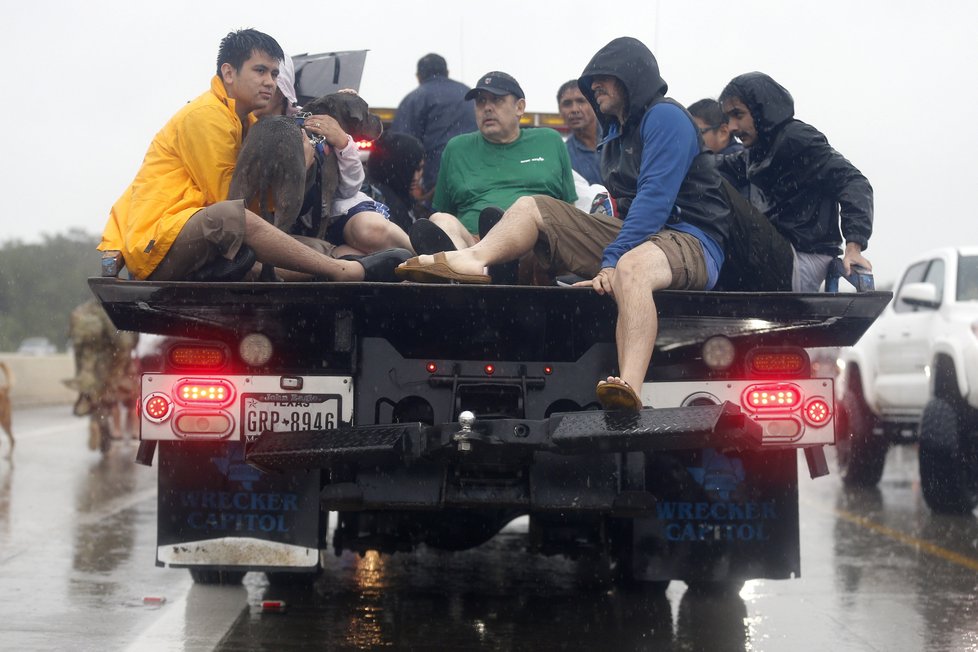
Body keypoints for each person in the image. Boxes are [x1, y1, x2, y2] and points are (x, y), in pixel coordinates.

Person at [397, 37, 731, 411]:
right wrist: (597, 254)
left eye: (604, 77)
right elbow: (623, 210)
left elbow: (655, 201)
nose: (595, 87)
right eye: (593, 81)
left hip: (691, 238)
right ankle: (475, 260)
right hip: (642, 236)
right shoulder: (614, 136)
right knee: (530, 206)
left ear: (632, 77)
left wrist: (611, 261)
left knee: (631, 268)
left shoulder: (665, 117)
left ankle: (629, 387)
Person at [99, 29, 397, 282]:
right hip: (162, 246)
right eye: (260, 71)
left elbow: (262, 206)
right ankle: (341, 272)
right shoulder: (205, 117)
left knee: (316, 247)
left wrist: (302, 166)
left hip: (212, 236)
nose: (270, 81)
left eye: (275, 73)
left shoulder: (250, 124)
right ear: (229, 72)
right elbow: (230, 203)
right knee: (234, 216)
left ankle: (381, 262)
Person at [715, 72, 873, 292]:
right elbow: (719, 165)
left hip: (802, 260)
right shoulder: (758, 150)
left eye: (738, 114)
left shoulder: (797, 140)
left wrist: (854, 245)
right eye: (728, 118)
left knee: (712, 185)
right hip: (779, 255)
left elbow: (854, 181)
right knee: (702, 175)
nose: (731, 127)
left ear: (761, 110)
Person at [419, 71, 577, 250]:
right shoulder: (456, 148)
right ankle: (472, 269)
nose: (487, 107)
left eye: (496, 99)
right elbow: (445, 211)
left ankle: (482, 266)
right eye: (481, 101)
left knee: (527, 213)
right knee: (440, 220)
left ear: (520, 107)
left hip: (535, 248)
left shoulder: (550, 140)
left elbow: (569, 210)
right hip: (472, 245)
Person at [390, 54, 477, 201]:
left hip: (436, 181)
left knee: (439, 220)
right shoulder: (469, 94)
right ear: (447, 72)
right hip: (474, 174)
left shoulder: (415, 98)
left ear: (418, 76)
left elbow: (401, 147)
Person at [365, 131, 428, 232]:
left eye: (419, 168)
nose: (416, 177)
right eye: (409, 169)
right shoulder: (382, 203)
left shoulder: (398, 198)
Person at [557, 79, 602, 185]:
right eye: (567, 104)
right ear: (560, 111)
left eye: (581, 101)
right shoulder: (564, 156)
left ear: (594, 104)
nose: (574, 109)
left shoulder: (618, 139)